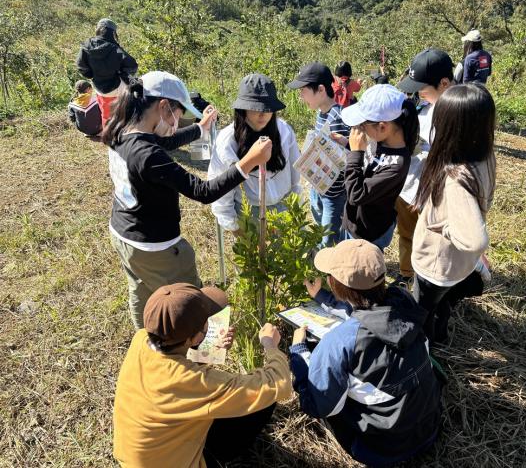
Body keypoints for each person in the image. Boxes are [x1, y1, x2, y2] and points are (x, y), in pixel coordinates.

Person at [104, 70, 272, 329]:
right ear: (163, 107)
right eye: (178, 116)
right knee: (191, 306)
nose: (176, 123)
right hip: (157, 249)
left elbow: (163, 142)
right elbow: (203, 192)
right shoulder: (147, 154)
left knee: (142, 295)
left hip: (124, 235)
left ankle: (146, 346)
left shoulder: (120, 131)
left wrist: (199, 129)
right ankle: (198, 358)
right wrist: (248, 162)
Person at [290, 240, 444, 467]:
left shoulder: (340, 342)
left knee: (326, 395)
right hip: (429, 426)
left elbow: (319, 405)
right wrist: (322, 298)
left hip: (380, 449)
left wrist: (299, 352)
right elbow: (367, 308)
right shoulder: (405, 302)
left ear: (335, 284)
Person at [113, 282, 292, 467]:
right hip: (178, 463)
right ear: (197, 337)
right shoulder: (192, 380)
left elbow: (174, 365)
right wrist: (270, 346)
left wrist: (211, 351)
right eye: (207, 321)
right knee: (264, 402)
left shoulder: (141, 339)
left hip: (137, 456)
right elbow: (278, 383)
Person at [412, 83, 497, 346]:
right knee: (443, 304)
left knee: (420, 315)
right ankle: (440, 337)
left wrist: (444, 227)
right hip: (457, 265)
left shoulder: (455, 177)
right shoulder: (484, 157)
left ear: (449, 128)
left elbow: (475, 239)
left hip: (436, 264)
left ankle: (423, 357)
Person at [208, 74, 301, 232]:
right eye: (256, 108)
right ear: (242, 109)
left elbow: (295, 174)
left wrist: (293, 208)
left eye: (268, 109)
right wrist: (237, 229)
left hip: (284, 208)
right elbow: (220, 193)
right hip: (248, 214)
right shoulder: (227, 141)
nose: (263, 114)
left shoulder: (284, 131)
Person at [394, 48, 454, 287]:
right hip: (410, 185)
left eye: (422, 87)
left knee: (434, 238)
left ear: (444, 83)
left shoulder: (459, 112)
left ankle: (432, 280)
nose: (418, 92)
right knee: (407, 233)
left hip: (436, 191)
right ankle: (407, 273)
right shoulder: (424, 107)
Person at [335, 84, 418, 251]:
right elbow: (367, 164)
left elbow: (356, 195)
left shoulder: (397, 164)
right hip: (354, 222)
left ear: (382, 126)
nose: (358, 129)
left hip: (368, 233)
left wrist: (356, 153)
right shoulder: (379, 140)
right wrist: (348, 146)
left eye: (362, 125)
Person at [288, 62, 350, 247]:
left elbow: (349, 157)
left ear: (321, 89)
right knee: (321, 230)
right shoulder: (321, 114)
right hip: (318, 187)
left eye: (303, 91)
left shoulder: (340, 118)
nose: (300, 96)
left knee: (328, 241)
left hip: (334, 193)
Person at [76, 18, 138, 127]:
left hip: (98, 86)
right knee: (124, 108)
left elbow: (81, 66)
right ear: (112, 32)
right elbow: (132, 65)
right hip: (116, 87)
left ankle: (108, 134)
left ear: (98, 30)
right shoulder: (114, 48)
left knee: (105, 112)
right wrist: (121, 72)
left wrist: (91, 75)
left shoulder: (86, 46)